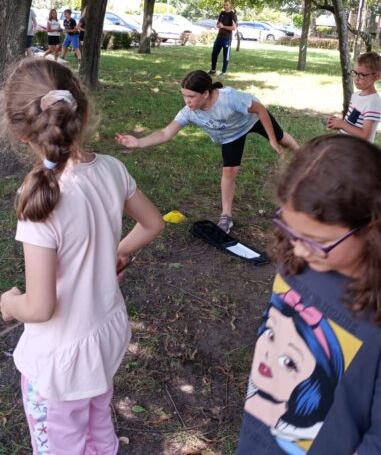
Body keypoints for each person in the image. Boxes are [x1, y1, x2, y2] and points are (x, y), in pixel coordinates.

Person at [0, 59, 164, 455]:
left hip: (58, 363)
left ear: (21, 133)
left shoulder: (39, 197)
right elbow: (152, 223)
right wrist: (115, 254)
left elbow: (39, 307)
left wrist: (8, 305)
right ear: (82, 111)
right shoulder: (111, 169)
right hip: (104, 337)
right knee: (97, 423)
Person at [237, 134, 381, 455]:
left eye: (316, 241)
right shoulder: (295, 262)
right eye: (292, 232)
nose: (299, 249)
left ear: (372, 229)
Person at [115, 70, 298, 233]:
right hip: (231, 135)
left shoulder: (229, 98)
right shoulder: (189, 112)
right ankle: (226, 215)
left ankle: (303, 154)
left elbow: (260, 110)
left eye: (191, 96)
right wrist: (139, 142)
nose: (187, 101)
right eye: (184, 96)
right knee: (229, 170)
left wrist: (272, 140)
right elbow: (165, 132)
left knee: (282, 138)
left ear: (205, 93)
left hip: (251, 119)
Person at [327, 51, 381, 142]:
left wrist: (342, 124)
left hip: (359, 152)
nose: (356, 78)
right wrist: (337, 123)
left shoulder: (373, 102)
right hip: (347, 146)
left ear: (376, 77)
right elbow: (353, 124)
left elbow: (365, 136)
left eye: (362, 75)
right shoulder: (356, 96)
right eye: (355, 73)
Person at [209, 0, 237, 78]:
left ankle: (223, 72)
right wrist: (218, 25)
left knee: (226, 56)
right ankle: (213, 70)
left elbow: (234, 27)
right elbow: (218, 24)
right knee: (214, 54)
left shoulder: (233, 15)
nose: (225, 6)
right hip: (219, 37)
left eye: (227, 5)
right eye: (224, 5)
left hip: (227, 39)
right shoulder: (222, 13)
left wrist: (223, 26)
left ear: (230, 6)